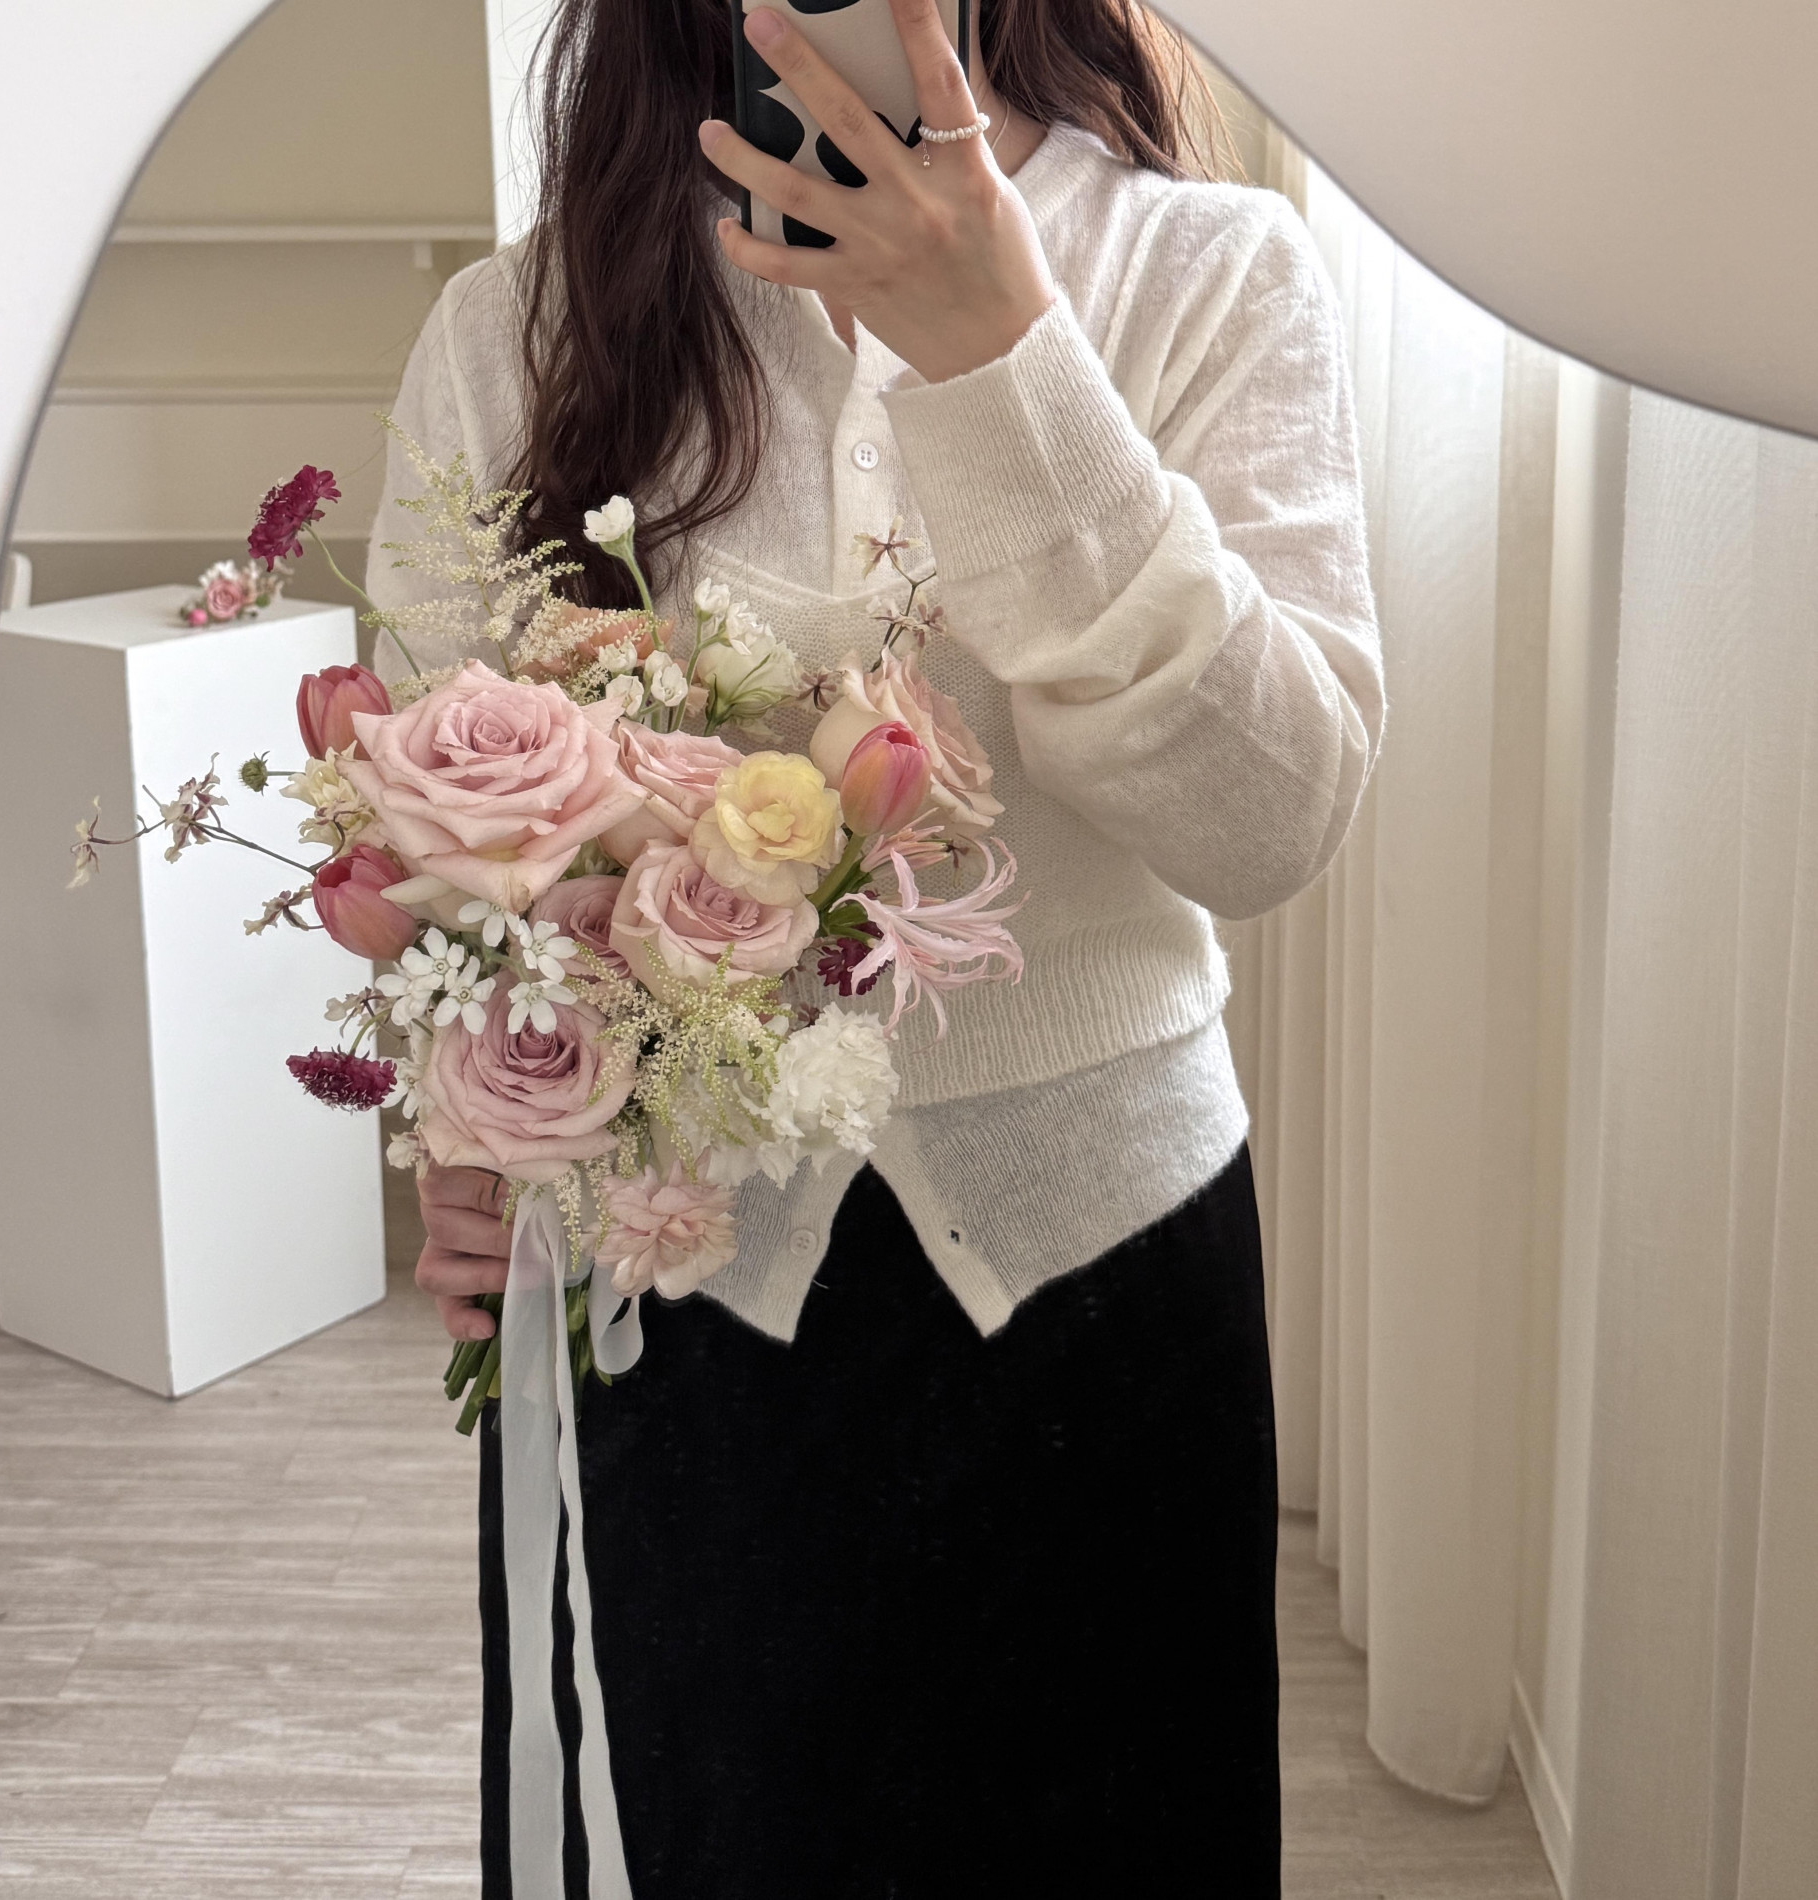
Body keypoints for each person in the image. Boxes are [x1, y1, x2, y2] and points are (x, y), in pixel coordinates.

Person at [371, 2, 1382, 1894]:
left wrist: (1006, 359)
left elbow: (1269, 820)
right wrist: (476, 1122)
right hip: (682, 1295)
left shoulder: (1209, 273)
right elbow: (437, 840)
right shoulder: (520, 333)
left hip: (1101, 1271)